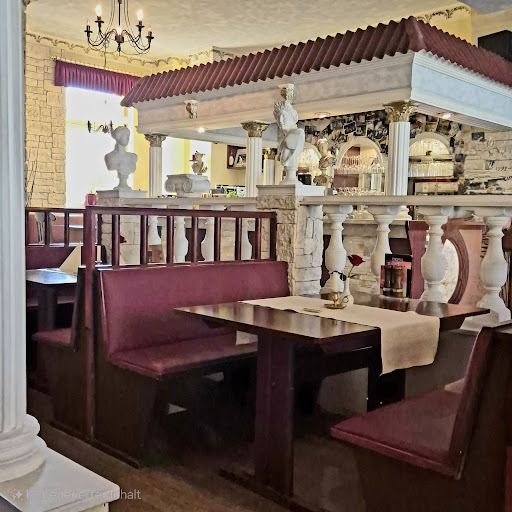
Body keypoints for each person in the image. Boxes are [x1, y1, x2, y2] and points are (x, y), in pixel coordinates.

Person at [274, 100, 305, 185]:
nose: (280, 121)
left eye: (284, 117)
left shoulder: (297, 134)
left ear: (292, 119)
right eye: (278, 118)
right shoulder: (283, 140)